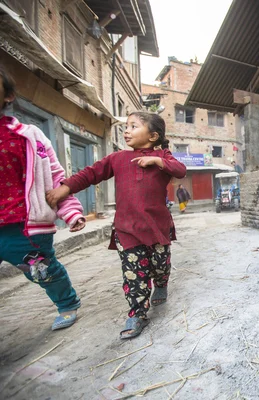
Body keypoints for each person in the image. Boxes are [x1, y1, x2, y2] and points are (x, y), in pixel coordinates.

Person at [46, 111, 186, 339]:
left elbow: (180, 170)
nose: (126, 130)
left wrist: (157, 160)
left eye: (133, 126)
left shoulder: (163, 156)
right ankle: (137, 313)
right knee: (134, 275)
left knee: (160, 265)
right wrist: (66, 187)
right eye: (126, 126)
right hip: (127, 229)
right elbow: (89, 174)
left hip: (157, 227)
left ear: (153, 136)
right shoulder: (117, 158)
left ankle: (161, 284)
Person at [0, 66, 86, 331]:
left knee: (43, 271)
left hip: (24, 227)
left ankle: (67, 303)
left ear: (9, 95)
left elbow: (55, 178)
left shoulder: (29, 136)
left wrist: (71, 212)